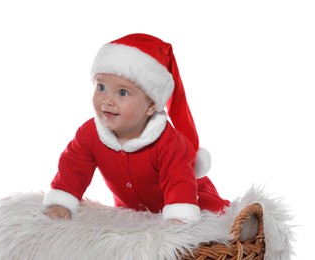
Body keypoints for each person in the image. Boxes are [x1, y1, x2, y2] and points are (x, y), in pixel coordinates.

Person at [43, 33, 229, 223]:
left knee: (215, 217)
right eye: (101, 87)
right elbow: (73, 168)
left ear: (150, 106)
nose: (107, 100)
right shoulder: (90, 134)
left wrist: (179, 216)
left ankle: (240, 224)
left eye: (122, 92)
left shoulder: (168, 141)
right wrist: (62, 200)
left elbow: (179, 180)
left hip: (191, 199)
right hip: (135, 212)